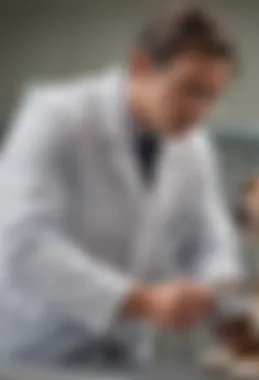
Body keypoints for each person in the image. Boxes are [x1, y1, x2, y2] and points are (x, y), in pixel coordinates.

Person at [0, 5, 242, 367]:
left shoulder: (194, 147)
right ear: (141, 66)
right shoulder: (55, 117)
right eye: (189, 89)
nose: (198, 112)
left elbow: (209, 241)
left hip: (125, 355)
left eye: (210, 96)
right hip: (36, 351)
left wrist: (215, 292)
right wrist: (143, 301)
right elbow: (23, 243)